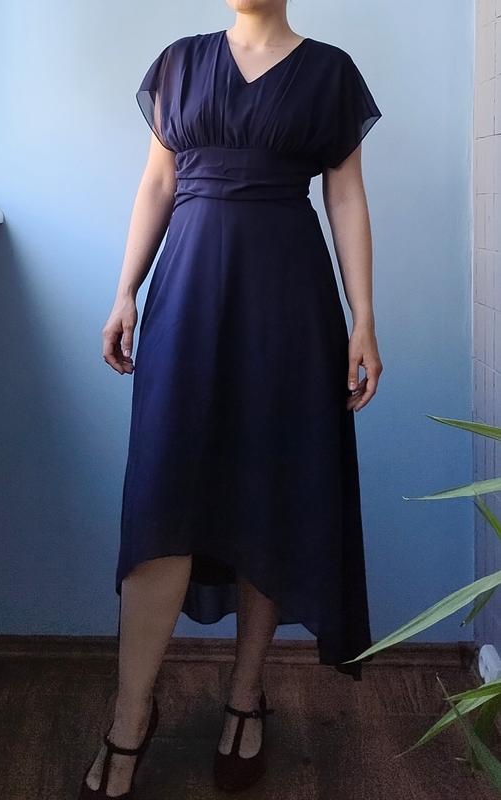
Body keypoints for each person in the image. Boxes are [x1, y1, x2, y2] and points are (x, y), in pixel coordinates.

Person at [79, 0, 383, 796]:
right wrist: (125, 291)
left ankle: (245, 698)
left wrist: (363, 317)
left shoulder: (329, 72)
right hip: (186, 297)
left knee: (267, 496)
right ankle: (129, 714)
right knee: (162, 498)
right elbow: (158, 181)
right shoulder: (179, 62)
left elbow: (344, 195)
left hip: (288, 307)